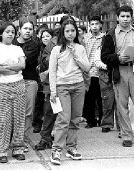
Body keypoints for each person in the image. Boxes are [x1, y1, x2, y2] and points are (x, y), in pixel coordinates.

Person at [101, 5, 134, 147]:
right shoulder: (110, 35)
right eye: (123, 16)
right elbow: (104, 56)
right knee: (122, 105)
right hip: (119, 71)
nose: (125, 19)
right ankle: (127, 135)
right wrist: (118, 58)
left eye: (128, 16)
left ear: (131, 17)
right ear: (117, 18)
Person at [49, 18, 90, 165]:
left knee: (75, 118)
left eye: (73, 30)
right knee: (63, 119)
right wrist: (53, 91)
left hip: (78, 85)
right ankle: (56, 150)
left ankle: (72, 148)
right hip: (62, 87)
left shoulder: (80, 48)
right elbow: (52, 72)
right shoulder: (56, 49)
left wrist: (76, 55)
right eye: (67, 31)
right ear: (63, 32)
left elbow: (87, 67)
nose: (70, 33)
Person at [0, 22, 26, 163]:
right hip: (2, 86)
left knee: (19, 118)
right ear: (1, 34)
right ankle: (1, 150)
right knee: (2, 119)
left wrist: (8, 67)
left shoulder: (18, 49)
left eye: (12, 31)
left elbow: (22, 65)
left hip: (19, 85)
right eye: (7, 31)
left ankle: (18, 149)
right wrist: (14, 68)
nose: (10, 34)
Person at [13, 19, 40, 152]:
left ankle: (22, 140)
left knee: (28, 112)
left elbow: (25, 61)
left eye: (30, 29)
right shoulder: (11, 43)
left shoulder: (35, 45)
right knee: (14, 112)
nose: (28, 31)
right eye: (25, 28)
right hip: (12, 81)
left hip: (29, 81)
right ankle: (13, 139)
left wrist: (9, 63)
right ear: (20, 29)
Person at [83, 16, 104, 128]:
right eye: (92, 24)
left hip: (100, 72)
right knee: (89, 98)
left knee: (100, 97)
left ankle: (102, 119)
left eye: (97, 24)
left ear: (100, 25)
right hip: (88, 72)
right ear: (89, 26)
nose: (94, 26)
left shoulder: (104, 37)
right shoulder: (85, 38)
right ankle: (90, 120)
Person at [33, 28, 53, 134]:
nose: (45, 38)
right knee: (38, 103)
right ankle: (37, 123)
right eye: (43, 36)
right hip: (39, 79)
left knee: (48, 105)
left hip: (49, 80)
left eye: (48, 36)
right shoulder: (39, 49)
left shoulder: (54, 49)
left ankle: (47, 126)